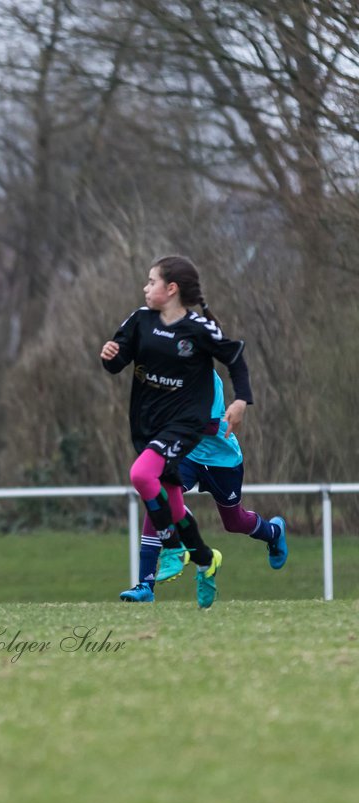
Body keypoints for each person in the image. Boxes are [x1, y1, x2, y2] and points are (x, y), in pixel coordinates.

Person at [101, 255, 255, 609]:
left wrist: (242, 400)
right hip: (148, 423)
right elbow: (117, 362)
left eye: (151, 281)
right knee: (172, 503)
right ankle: (204, 558)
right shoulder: (140, 321)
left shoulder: (199, 330)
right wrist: (109, 355)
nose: (145, 287)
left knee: (141, 475)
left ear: (171, 289)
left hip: (184, 424)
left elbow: (235, 359)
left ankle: (172, 549)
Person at [120, 370, 288, 602]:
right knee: (157, 494)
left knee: (234, 522)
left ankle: (274, 532)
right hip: (188, 455)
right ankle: (145, 585)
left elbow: (208, 426)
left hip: (223, 461)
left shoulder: (207, 378)